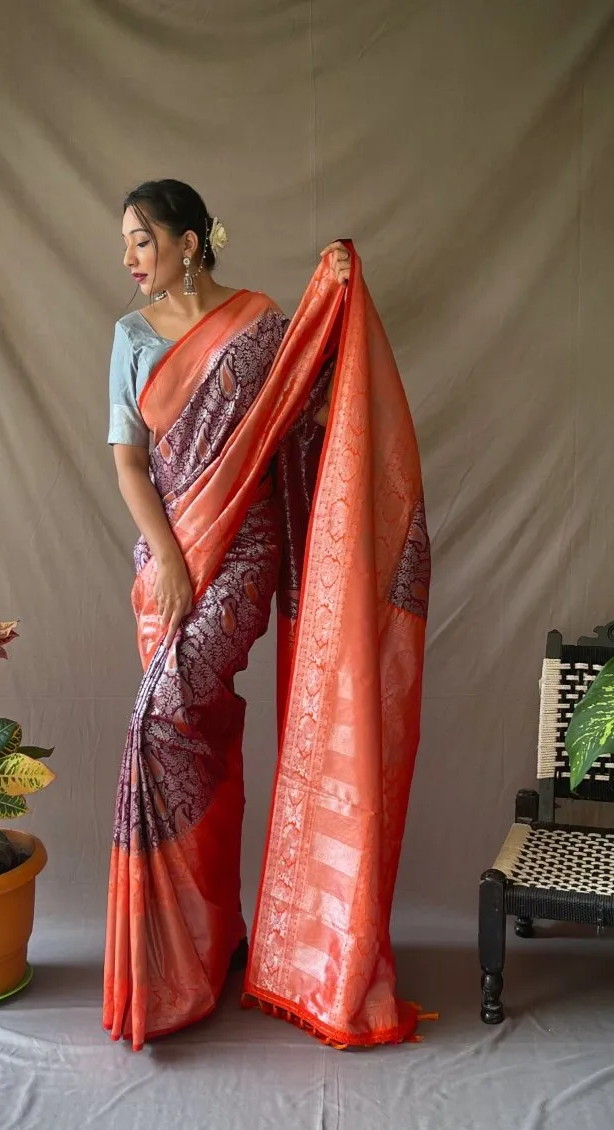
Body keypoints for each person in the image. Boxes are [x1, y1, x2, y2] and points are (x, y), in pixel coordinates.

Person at [104, 179, 430, 1051]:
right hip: (167, 557)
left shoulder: (259, 325)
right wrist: (169, 559)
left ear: (188, 243)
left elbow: (314, 406)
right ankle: (207, 951)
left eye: (141, 240)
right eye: (126, 243)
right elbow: (128, 465)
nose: (128, 258)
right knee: (190, 737)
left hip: (245, 552)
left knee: (160, 721)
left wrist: (338, 294)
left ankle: (173, 968)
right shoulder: (129, 338)